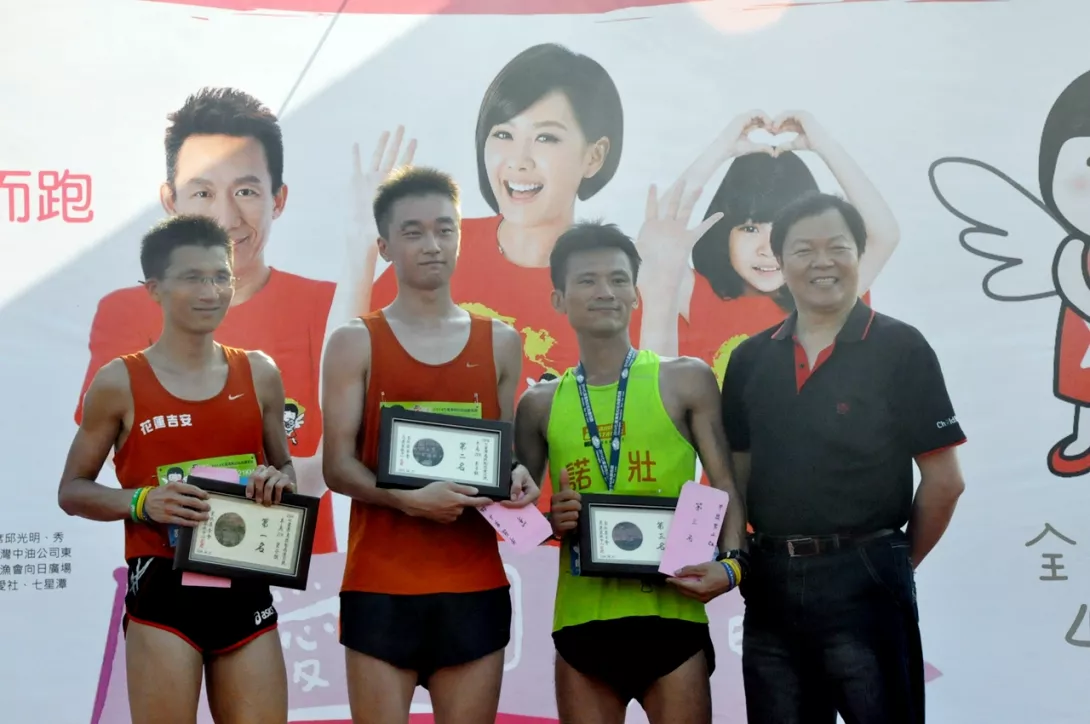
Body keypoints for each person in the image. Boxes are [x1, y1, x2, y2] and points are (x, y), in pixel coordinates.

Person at [720, 192, 966, 724]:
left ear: (860, 253)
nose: (822, 262)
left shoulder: (901, 348)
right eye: (803, 250)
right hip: (771, 582)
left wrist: (893, 562)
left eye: (837, 247)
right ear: (780, 262)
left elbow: (945, 482)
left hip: (866, 575)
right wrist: (734, 561)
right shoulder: (749, 359)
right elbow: (733, 480)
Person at [74, 87, 345, 553]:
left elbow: (326, 459)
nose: (224, 217)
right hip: (162, 570)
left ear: (278, 199)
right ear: (170, 199)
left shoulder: (323, 309)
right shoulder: (124, 317)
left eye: (246, 191)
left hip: (284, 565)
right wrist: (143, 501)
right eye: (202, 192)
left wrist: (279, 479)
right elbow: (80, 484)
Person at [321, 166, 541, 723]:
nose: (432, 244)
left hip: (473, 583)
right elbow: (336, 466)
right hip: (380, 583)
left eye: (445, 229)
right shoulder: (353, 342)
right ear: (384, 246)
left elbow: (502, 454)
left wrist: (516, 476)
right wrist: (405, 500)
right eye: (413, 231)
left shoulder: (501, 342)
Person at [57, 215, 297, 724]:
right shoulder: (119, 381)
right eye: (192, 278)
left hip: (245, 585)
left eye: (221, 277)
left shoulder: (260, 373)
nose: (210, 292)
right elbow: (72, 490)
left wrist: (277, 481)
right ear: (154, 288)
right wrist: (143, 502)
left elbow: (284, 469)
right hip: (163, 593)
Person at [513, 221, 749, 724]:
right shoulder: (539, 403)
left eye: (618, 279)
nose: (606, 291)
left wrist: (732, 568)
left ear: (636, 295)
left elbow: (724, 482)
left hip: (673, 617)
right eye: (588, 280)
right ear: (558, 299)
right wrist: (549, 523)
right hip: (581, 625)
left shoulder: (686, 379)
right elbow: (515, 517)